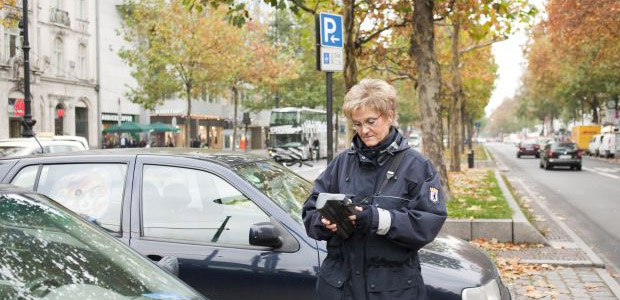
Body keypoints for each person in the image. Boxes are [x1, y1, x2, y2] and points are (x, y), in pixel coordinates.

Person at [302, 78, 447, 300]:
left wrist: (377, 219)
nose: (364, 130)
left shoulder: (417, 166)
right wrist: (326, 222)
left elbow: (427, 223)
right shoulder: (341, 163)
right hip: (340, 289)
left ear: (389, 115)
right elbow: (310, 212)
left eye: (370, 121)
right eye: (357, 124)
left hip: (393, 291)